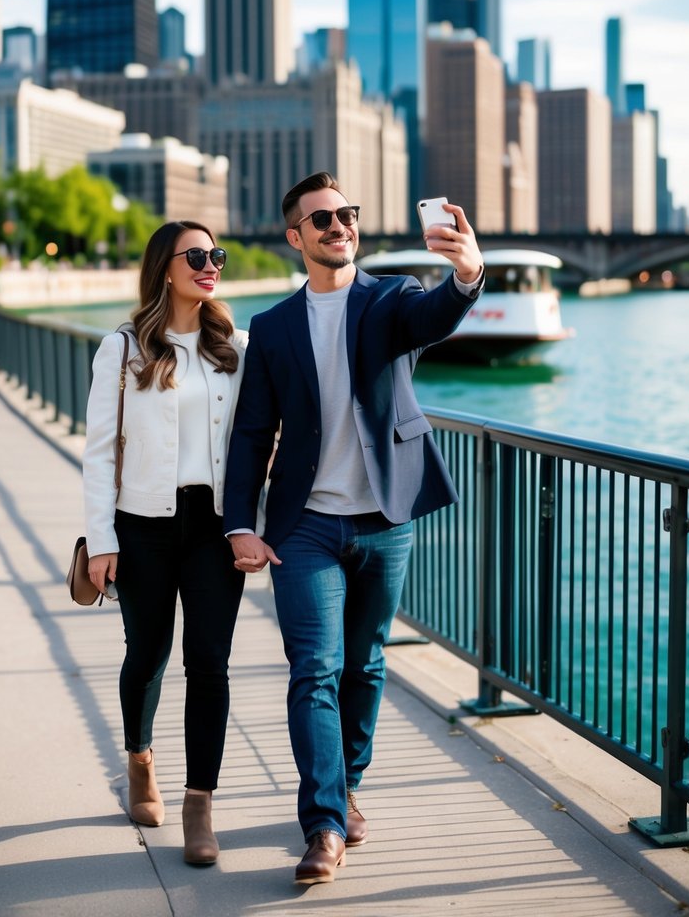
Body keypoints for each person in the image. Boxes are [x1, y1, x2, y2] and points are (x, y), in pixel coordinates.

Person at [223, 172, 484, 885]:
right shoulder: (273, 327)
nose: (339, 225)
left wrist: (465, 274)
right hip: (303, 526)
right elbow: (251, 434)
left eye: (346, 214)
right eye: (322, 218)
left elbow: (437, 316)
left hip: (384, 519)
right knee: (313, 669)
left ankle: (348, 785)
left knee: (365, 664)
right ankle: (324, 825)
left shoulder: (391, 298)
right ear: (296, 236)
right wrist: (236, 525)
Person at [83, 221, 249, 866]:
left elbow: (258, 438)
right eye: (198, 256)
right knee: (147, 654)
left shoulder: (235, 345)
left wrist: (254, 522)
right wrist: (102, 540)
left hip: (213, 527)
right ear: (165, 267)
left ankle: (198, 803)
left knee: (209, 662)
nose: (211, 266)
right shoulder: (121, 349)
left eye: (218, 257)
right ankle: (140, 760)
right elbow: (100, 453)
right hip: (142, 525)